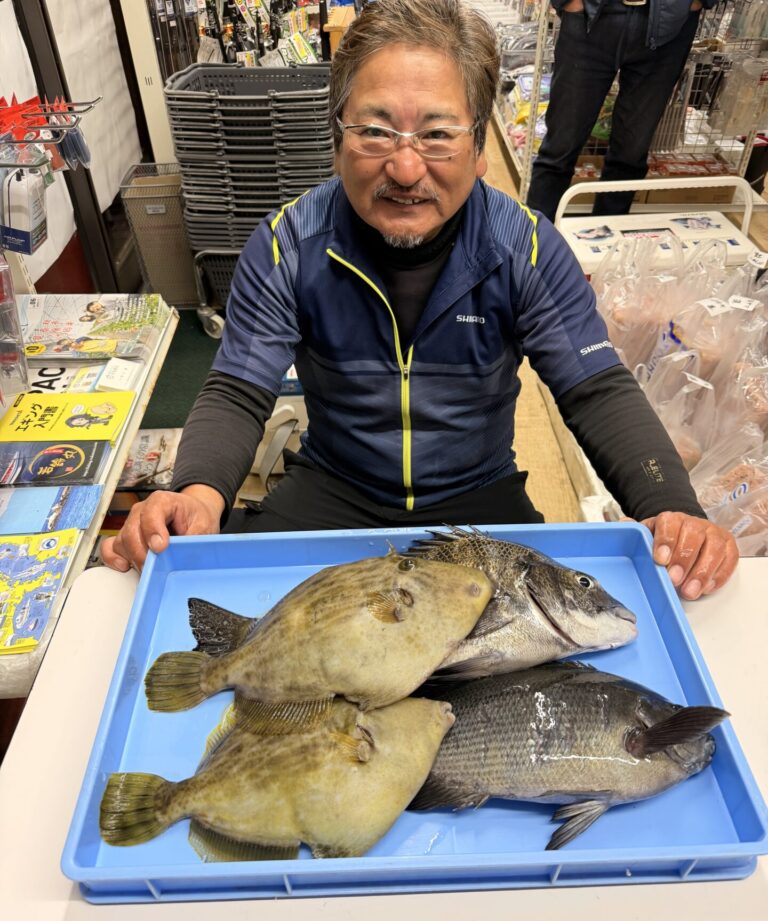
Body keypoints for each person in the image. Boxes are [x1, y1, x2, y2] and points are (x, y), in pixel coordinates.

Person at [102, 0, 737, 602]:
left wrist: (670, 506)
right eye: (375, 132)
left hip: (479, 494)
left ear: (479, 150)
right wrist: (198, 493)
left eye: (437, 134)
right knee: (227, 616)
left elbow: (595, 388)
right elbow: (238, 389)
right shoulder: (285, 244)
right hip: (332, 487)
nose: (406, 170)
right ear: (337, 140)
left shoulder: (527, 249)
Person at [527, 0, 715, 222]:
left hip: (669, 24)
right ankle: (533, 239)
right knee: (559, 147)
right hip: (591, 15)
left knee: (630, 155)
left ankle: (606, 236)